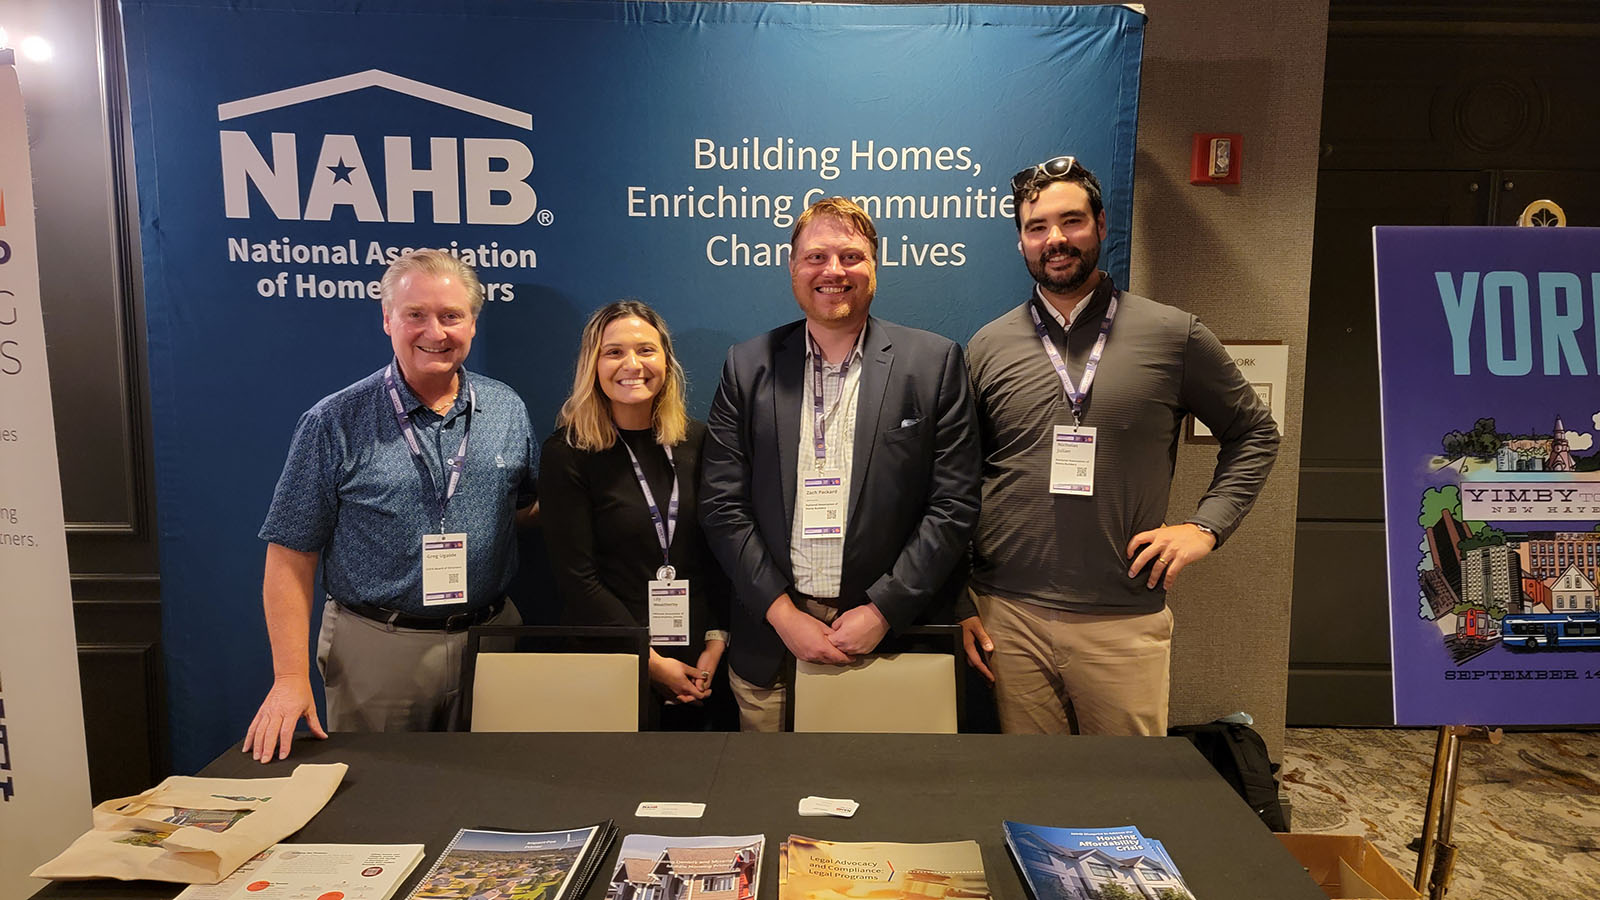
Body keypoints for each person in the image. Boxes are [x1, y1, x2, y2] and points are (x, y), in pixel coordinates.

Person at [959, 156, 1280, 736]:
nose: (1055, 239)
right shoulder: (987, 346)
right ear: (1020, 243)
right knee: (1030, 796)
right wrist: (961, 600)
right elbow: (955, 481)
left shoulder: (1173, 334)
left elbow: (1255, 432)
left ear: (1103, 226)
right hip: (1006, 617)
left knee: (1123, 805)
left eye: (1071, 221)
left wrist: (1206, 526)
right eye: (1037, 228)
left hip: (1122, 621)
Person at [700, 196, 982, 731]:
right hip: (773, 643)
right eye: (816, 257)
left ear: (875, 265)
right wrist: (782, 614)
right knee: (770, 800)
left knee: (884, 800)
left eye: (851, 256)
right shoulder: (747, 365)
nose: (833, 271)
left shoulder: (934, 363)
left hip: (889, 638)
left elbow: (953, 505)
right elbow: (721, 504)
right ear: (792, 267)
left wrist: (881, 611)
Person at [243, 249, 537, 761]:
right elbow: (291, 554)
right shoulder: (334, 421)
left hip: (492, 642)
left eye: (451, 316)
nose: (435, 331)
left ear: (473, 322)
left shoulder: (507, 408)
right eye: (415, 314)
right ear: (387, 320)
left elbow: (525, 507)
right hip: (379, 649)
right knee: (384, 801)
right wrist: (290, 677)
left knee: (501, 793)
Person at [539, 300, 732, 729]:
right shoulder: (567, 453)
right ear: (593, 364)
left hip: (701, 662)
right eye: (613, 352)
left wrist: (716, 642)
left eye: (646, 350)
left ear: (666, 359)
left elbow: (723, 553)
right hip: (612, 660)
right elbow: (577, 579)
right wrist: (650, 662)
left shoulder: (701, 441)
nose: (632, 364)